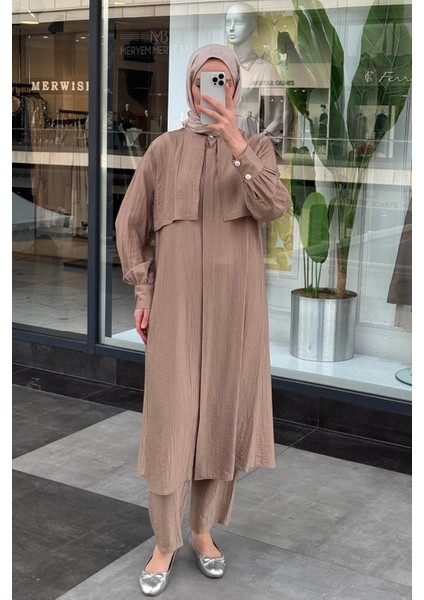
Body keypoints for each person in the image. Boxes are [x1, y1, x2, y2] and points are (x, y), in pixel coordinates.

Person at [115, 43, 291, 597]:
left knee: (219, 412)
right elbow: (130, 224)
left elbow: (274, 206)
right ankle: (165, 541)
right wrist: (144, 289)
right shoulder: (164, 150)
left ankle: (202, 530)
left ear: (235, 88)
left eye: (222, 81)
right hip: (174, 305)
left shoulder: (258, 147)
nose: (210, 90)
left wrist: (237, 143)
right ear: (189, 85)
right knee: (170, 418)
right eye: (202, 80)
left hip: (236, 308)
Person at [226, 2, 293, 152]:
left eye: (238, 22)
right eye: (228, 22)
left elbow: (281, 117)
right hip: (220, 151)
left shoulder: (264, 70)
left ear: (252, 26)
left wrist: (255, 147)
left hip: (247, 152)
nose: (231, 28)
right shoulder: (221, 68)